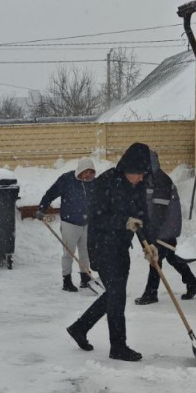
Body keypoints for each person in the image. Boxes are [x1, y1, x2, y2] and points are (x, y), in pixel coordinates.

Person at [66, 142, 157, 363]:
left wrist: (149, 244)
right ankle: (118, 346)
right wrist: (124, 221)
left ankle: (80, 327)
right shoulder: (105, 183)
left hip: (120, 247)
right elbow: (97, 218)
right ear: (129, 168)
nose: (142, 179)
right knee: (116, 294)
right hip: (101, 246)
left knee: (115, 294)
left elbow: (142, 217)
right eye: (139, 174)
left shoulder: (137, 186)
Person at [135, 150, 196, 305]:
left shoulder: (161, 181)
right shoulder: (149, 178)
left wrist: (151, 234)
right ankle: (193, 284)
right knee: (172, 257)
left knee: (155, 260)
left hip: (165, 227)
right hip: (162, 227)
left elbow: (159, 211)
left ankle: (151, 294)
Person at [35, 157, 96, 291]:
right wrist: (42, 208)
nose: (89, 175)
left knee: (85, 252)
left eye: (91, 173)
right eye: (87, 172)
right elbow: (51, 193)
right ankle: (66, 280)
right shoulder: (67, 180)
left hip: (86, 223)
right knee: (68, 252)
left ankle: (85, 278)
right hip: (70, 223)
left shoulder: (92, 183)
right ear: (80, 170)